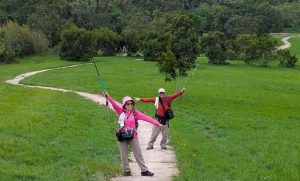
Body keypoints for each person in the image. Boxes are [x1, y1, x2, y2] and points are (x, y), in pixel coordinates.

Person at [103, 92, 164, 177]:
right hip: (122, 136)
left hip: (133, 136)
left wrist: (157, 124)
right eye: (128, 104)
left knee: (138, 154)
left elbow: (146, 118)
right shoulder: (121, 111)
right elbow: (113, 103)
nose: (130, 105)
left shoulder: (135, 113)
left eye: (131, 103)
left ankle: (144, 170)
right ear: (124, 105)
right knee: (123, 154)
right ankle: (126, 170)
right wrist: (107, 96)